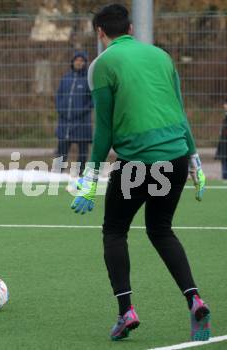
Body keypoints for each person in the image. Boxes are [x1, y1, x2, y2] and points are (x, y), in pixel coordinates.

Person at [70, 4, 210, 342]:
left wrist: (89, 180)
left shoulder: (101, 65)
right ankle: (195, 299)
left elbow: (103, 129)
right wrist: (195, 159)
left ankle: (126, 311)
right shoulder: (161, 57)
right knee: (161, 230)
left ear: (100, 33)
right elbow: (179, 108)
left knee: (115, 231)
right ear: (131, 27)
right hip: (175, 157)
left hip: (137, 163)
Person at [56, 51, 93, 172]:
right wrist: (60, 108)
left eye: (81, 60)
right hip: (64, 121)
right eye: (76, 60)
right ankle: (58, 173)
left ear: (85, 63)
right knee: (62, 148)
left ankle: (80, 173)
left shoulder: (89, 79)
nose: (79, 62)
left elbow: (94, 99)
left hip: (82, 122)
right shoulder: (66, 78)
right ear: (73, 62)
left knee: (83, 150)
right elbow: (59, 95)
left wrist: (82, 111)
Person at [215, 99, 227, 180]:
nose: (224, 105)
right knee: (224, 158)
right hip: (223, 142)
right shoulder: (225, 116)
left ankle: (225, 176)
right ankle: (224, 176)